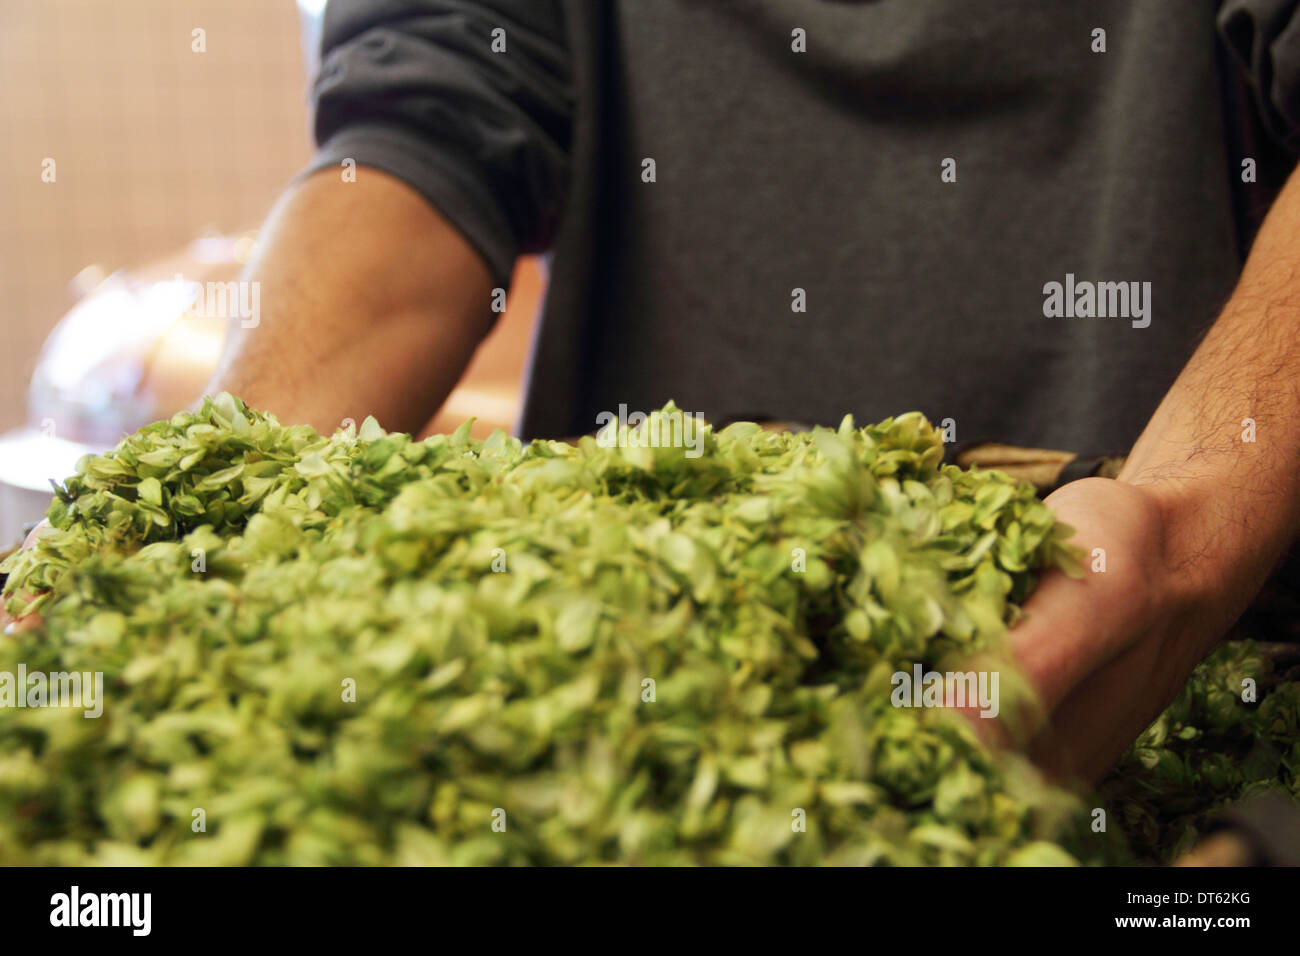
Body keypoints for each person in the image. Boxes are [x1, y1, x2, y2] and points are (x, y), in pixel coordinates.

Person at [19, 2, 1300, 785]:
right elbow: (434, 112)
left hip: (1183, 691)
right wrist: (217, 492)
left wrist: (1187, 529)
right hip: (632, 698)